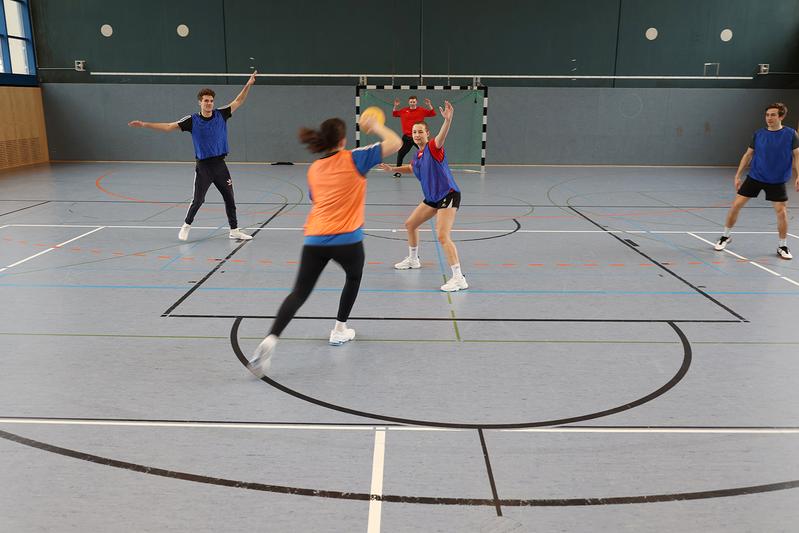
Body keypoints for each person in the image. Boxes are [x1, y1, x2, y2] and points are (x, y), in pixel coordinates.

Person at [248, 114, 401, 376]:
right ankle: (340, 329)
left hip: (315, 239)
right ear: (342, 140)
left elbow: (315, 199)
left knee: (298, 293)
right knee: (353, 276)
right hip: (348, 240)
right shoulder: (355, 158)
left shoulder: (314, 169)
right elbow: (395, 142)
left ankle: (271, 338)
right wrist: (375, 126)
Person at [128, 71, 258, 241]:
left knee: (230, 199)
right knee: (198, 200)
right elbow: (168, 127)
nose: (209, 103)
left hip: (220, 165)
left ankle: (234, 230)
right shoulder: (192, 120)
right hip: (204, 166)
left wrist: (248, 85)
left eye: (211, 101)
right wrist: (145, 124)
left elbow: (239, 100)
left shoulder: (222, 114)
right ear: (200, 102)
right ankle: (186, 225)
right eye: (206, 101)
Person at [379, 101, 467, 292]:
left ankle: (459, 277)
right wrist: (392, 168)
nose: (417, 134)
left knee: (443, 236)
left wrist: (448, 120)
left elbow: (442, 136)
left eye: (420, 131)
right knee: (410, 224)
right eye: (414, 132)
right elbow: (411, 168)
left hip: (448, 195)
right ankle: (413, 259)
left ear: (427, 134)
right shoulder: (417, 156)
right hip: (433, 198)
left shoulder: (434, 148)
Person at [714, 102, 799, 259]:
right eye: (767, 115)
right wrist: (738, 175)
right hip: (756, 176)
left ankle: (783, 246)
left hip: (777, 180)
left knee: (781, 212)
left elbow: (797, 155)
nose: (769, 118)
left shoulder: (791, 134)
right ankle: (725, 236)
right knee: (735, 205)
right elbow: (748, 155)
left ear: (781, 116)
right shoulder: (758, 134)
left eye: (773, 115)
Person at [391, 95, 436, 176]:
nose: (412, 103)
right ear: (409, 102)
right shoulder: (404, 111)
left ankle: (431, 171)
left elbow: (432, 113)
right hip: (407, 138)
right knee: (401, 153)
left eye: (414, 101)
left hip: (419, 137)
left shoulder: (421, 110)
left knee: (427, 153)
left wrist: (429, 104)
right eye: (411, 102)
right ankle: (398, 171)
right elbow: (394, 114)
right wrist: (395, 106)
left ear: (416, 102)